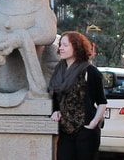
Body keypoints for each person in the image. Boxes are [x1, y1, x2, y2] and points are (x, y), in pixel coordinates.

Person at [49, 31, 106, 160]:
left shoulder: (89, 71)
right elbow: (56, 96)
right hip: (65, 130)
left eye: (65, 45)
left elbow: (102, 102)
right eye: (60, 45)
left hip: (85, 129)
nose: (61, 48)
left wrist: (92, 124)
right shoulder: (59, 69)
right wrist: (56, 111)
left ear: (76, 47)